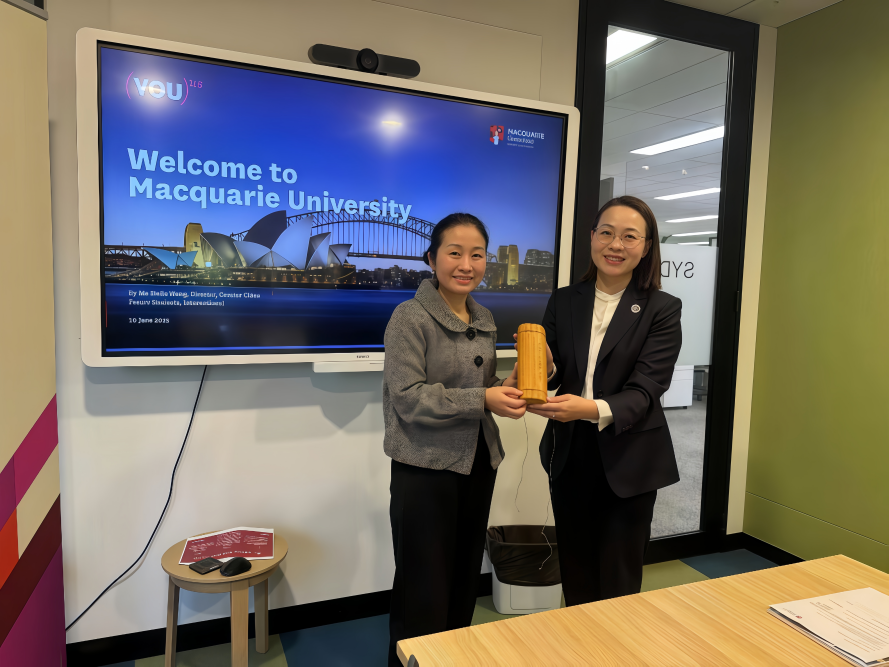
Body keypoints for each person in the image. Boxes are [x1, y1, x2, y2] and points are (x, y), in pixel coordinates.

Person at [383, 213, 526, 666]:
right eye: (455, 253)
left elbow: (479, 386)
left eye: (477, 255)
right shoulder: (409, 317)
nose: (467, 264)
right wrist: (484, 397)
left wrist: (508, 386)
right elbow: (408, 397)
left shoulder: (484, 317)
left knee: (464, 576)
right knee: (422, 585)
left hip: (477, 462)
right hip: (424, 468)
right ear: (431, 258)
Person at [526, 195, 682, 606]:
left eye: (630, 236)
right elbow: (554, 369)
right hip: (569, 452)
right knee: (576, 569)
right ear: (592, 237)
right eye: (607, 233)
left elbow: (647, 389)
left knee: (618, 579)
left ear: (646, 247)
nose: (616, 244)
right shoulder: (564, 299)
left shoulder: (662, 308)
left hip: (629, 454)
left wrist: (590, 408)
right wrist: (540, 370)